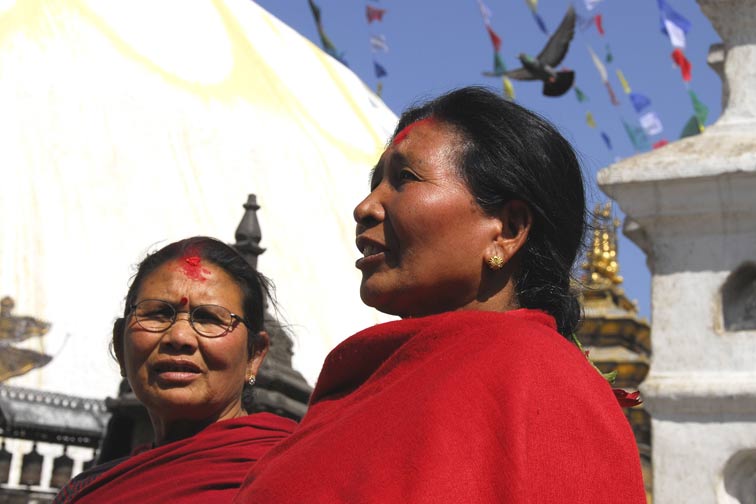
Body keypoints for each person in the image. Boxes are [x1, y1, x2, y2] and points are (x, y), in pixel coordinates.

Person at [233, 87, 647, 503]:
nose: (366, 207)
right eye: (376, 183)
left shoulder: (539, 381)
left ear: (506, 230)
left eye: (405, 179)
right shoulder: (360, 387)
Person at [55, 236, 296, 503]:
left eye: (208, 318)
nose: (179, 336)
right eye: (157, 313)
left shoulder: (295, 475)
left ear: (254, 355)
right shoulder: (85, 492)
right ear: (120, 345)